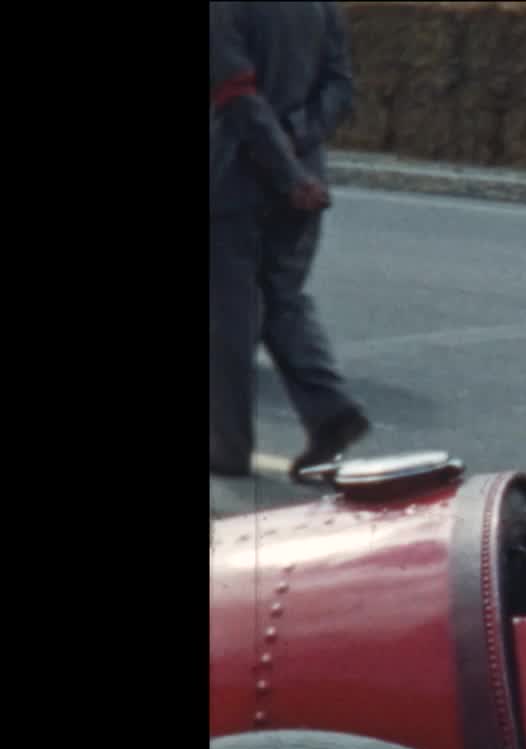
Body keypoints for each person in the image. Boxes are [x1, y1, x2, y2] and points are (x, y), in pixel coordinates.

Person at [210, 1, 371, 480]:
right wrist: (299, 143)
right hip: (304, 177)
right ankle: (330, 411)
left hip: (237, 178)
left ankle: (228, 446)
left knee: (228, 317)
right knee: (283, 300)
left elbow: (236, 94)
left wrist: (282, 168)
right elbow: (340, 87)